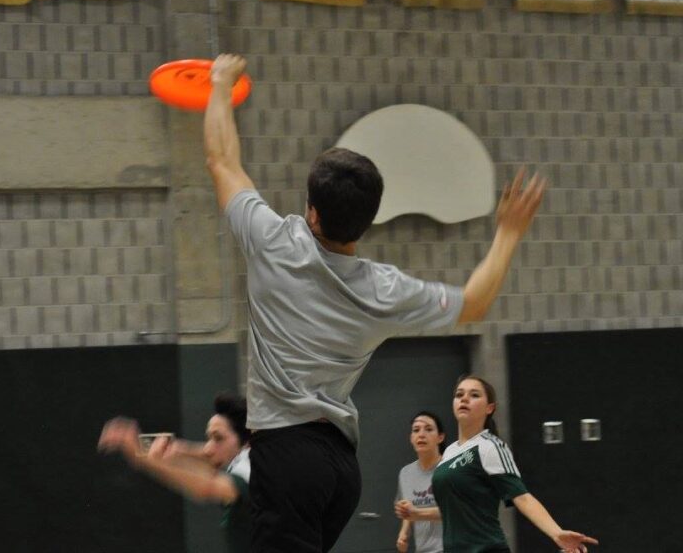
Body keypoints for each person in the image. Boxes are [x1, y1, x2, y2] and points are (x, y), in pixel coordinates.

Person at [205, 53, 545, 552]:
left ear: (312, 213)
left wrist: (219, 84)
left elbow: (221, 160)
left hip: (287, 455)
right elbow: (474, 303)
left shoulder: (272, 241)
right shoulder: (383, 289)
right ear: (366, 221)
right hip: (341, 467)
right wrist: (509, 234)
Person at [395, 376, 598, 553]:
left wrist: (556, 533)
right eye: (459, 394)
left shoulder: (490, 446)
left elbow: (522, 497)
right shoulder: (449, 452)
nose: (464, 398)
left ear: (489, 408)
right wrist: (417, 514)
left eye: (474, 395)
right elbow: (456, 510)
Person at [98, 394, 252, 553]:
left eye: (218, 438)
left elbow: (206, 487)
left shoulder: (248, 471)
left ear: (248, 441)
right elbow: (213, 458)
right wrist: (179, 449)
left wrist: (142, 460)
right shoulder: (253, 459)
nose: (208, 448)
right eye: (209, 438)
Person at [395, 411, 446, 553]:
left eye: (428, 429)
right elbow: (409, 510)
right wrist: (404, 532)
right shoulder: (406, 473)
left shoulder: (450, 468)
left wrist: (417, 513)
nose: (421, 434)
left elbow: (456, 512)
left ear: (440, 437)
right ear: (411, 438)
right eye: (416, 430)